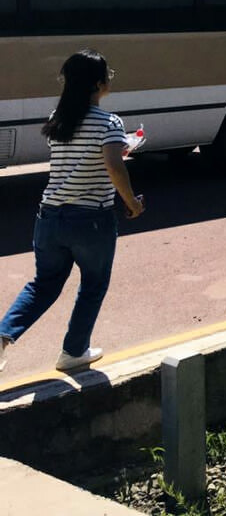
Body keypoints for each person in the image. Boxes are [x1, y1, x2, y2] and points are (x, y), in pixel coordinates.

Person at [0, 50, 145, 375]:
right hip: (90, 219)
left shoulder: (58, 118)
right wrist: (132, 202)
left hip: (50, 216)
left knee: (44, 284)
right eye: (108, 75)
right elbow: (113, 165)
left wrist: (113, 148)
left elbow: (79, 156)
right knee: (93, 284)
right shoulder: (109, 122)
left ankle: (2, 336)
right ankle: (74, 352)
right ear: (98, 83)